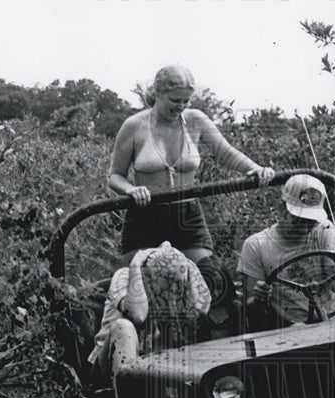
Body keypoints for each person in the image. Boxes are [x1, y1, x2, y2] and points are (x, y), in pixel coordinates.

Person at [108, 65, 277, 268]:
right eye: (174, 100)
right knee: (144, 282)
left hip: (187, 215)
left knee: (212, 277)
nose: (180, 106)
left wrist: (256, 168)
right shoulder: (134, 126)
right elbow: (115, 175)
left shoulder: (195, 120)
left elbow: (226, 153)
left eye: (185, 101)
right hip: (146, 217)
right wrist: (131, 189)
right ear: (159, 93)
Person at [237, 174, 335, 331]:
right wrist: (260, 296)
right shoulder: (256, 246)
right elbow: (253, 309)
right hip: (291, 326)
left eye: (310, 222)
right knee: (298, 330)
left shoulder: (325, 230)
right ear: (281, 209)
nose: (304, 229)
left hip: (333, 315)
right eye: (298, 220)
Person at [88, 241, 211, 379]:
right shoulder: (124, 276)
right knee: (124, 327)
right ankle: (127, 396)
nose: (171, 291)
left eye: (176, 284)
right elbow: (138, 315)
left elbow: (200, 312)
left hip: (153, 370)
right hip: (107, 369)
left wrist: (188, 269)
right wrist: (135, 265)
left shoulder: (182, 282)